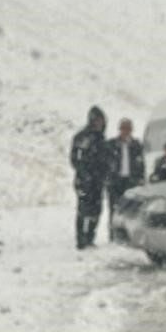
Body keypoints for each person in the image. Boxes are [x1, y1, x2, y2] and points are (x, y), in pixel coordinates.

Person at [70, 105, 109, 249]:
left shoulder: (102, 138)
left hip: (98, 181)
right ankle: (81, 240)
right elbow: (75, 159)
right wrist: (84, 173)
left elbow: (106, 160)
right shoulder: (81, 137)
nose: (99, 123)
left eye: (101, 121)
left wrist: (104, 174)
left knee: (96, 210)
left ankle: (90, 237)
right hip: (84, 180)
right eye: (97, 120)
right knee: (83, 210)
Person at [106, 118, 144, 238]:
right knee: (114, 209)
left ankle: (128, 235)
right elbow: (105, 162)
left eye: (128, 128)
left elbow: (141, 164)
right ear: (120, 129)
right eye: (123, 128)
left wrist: (140, 178)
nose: (126, 131)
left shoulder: (136, 145)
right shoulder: (111, 144)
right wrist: (108, 178)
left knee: (130, 210)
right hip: (115, 181)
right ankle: (113, 235)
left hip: (131, 181)